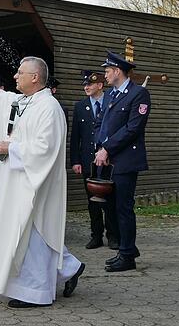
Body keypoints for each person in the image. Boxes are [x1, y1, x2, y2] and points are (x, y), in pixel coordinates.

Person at [0, 57, 84, 308]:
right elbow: (0, 100)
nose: (15, 76)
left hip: (36, 183)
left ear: (35, 77)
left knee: (32, 232)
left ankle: (35, 291)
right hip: (19, 178)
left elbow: (45, 147)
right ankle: (69, 268)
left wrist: (11, 148)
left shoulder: (49, 107)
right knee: (26, 231)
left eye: (20, 72)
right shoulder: (25, 101)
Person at [94, 51, 151, 272]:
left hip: (125, 160)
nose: (105, 75)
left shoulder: (139, 94)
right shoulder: (110, 95)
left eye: (107, 71)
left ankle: (127, 255)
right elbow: (101, 122)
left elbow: (133, 128)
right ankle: (127, 246)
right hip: (106, 159)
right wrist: (100, 147)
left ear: (118, 71)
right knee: (110, 207)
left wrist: (107, 148)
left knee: (123, 208)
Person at [70, 70, 118, 250]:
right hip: (88, 160)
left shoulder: (112, 101)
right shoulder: (81, 106)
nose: (86, 87)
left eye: (90, 84)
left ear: (100, 85)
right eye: (84, 84)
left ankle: (113, 236)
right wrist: (75, 160)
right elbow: (76, 136)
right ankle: (96, 235)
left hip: (109, 159)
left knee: (110, 200)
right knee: (92, 199)